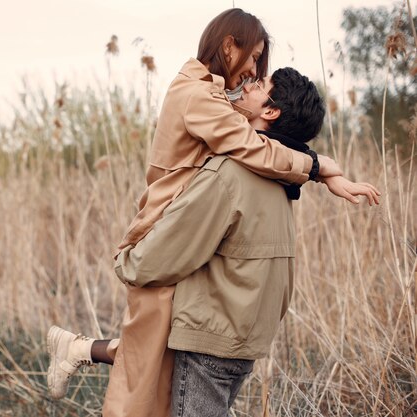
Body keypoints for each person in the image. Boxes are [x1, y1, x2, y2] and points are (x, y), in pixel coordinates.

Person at [47, 9, 377, 417]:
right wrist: (317, 168)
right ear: (228, 47)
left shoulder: (231, 142)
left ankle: (77, 349)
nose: (255, 72)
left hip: (180, 241)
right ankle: (78, 350)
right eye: (255, 59)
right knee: (146, 365)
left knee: (150, 354)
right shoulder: (199, 95)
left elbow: (260, 147)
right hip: (161, 223)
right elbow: (255, 146)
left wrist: (316, 171)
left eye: (260, 73)